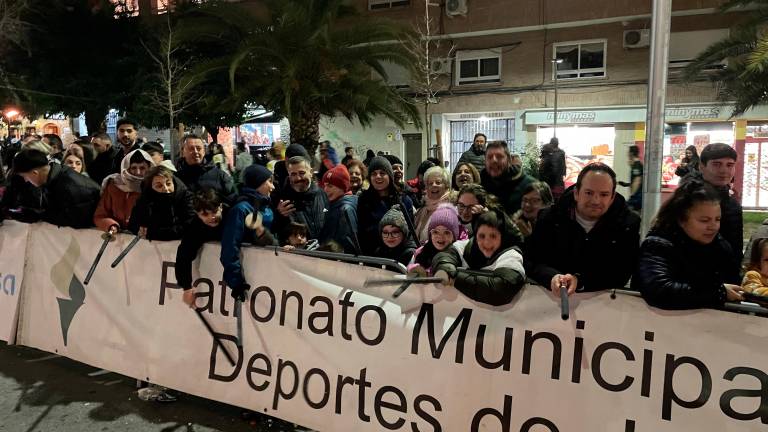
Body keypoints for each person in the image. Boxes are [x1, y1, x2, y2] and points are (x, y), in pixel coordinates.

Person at [525, 163, 641, 296]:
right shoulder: (549, 218)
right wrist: (551, 277)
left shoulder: (628, 224)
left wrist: (579, 280)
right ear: (576, 193)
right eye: (589, 193)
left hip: (606, 306)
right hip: (551, 302)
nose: (596, 200)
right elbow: (532, 261)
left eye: (604, 194)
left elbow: (621, 272)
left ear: (612, 198)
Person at [632, 179, 742, 310]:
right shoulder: (658, 245)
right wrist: (718, 292)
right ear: (682, 219)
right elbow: (659, 290)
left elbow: (733, 283)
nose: (713, 226)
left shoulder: (721, 246)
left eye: (717, 219)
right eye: (704, 220)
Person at [432, 209, 526, 306]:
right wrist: (446, 270)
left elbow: (501, 290)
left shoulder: (511, 255)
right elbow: (444, 257)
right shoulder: (465, 247)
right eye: (481, 236)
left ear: (502, 236)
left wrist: (456, 279)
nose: (486, 242)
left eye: (493, 236)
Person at [220, 164, 277, 301]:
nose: (272, 187)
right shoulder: (241, 210)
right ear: (257, 183)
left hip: (269, 272)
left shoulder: (267, 208)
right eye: (269, 181)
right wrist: (236, 281)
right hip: (251, 274)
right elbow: (230, 246)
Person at [12, 148, 100, 228]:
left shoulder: (69, 185)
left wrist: (39, 215)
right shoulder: (54, 178)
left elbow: (77, 220)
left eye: (25, 176)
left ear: (35, 173)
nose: (26, 180)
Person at [684, 143, 743, 261]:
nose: (724, 170)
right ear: (701, 166)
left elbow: (735, 247)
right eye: (716, 164)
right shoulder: (687, 198)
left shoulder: (732, 203)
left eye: (730, 165)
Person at [176, 189, 227, 308]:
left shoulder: (232, 216)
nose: (212, 217)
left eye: (214, 211)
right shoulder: (195, 226)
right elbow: (183, 256)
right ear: (197, 214)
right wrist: (187, 287)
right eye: (205, 214)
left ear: (221, 207)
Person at [357, 156, 414, 255]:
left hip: (399, 257)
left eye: (382, 173)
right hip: (372, 257)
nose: (378, 176)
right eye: (374, 174)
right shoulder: (363, 200)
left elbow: (410, 232)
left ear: (390, 176)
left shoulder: (404, 200)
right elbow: (362, 233)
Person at [94, 149, 155, 234]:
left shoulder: (154, 187)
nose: (138, 172)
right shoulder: (114, 185)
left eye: (142, 168)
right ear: (126, 168)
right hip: (117, 236)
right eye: (133, 168)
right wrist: (111, 225)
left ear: (149, 168)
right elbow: (100, 215)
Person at [128, 166, 195, 241]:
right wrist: (140, 229)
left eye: (168, 184)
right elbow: (133, 224)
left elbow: (189, 225)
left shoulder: (185, 196)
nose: (166, 189)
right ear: (151, 188)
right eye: (159, 186)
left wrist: (153, 233)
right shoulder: (145, 198)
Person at [273, 156, 329, 241]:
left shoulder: (322, 194)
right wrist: (279, 215)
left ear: (310, 172)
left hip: (323, 251)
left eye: (302, 173)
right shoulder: (282, 201)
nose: (298, 178)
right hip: (298, 252)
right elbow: (277, 232)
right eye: (293, 174)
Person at [481, 140, 536, 216]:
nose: (494, 160)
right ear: (485, 161)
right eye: (489, 157)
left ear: (509, 160)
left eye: (499, 156)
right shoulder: (480, 185)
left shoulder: (530, 185)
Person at [175, 135, 236, 202]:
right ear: (183, 152)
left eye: (198, 148)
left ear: (204, 151)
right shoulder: (176, 179)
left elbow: (232, 198)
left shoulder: (220, 175)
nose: (195, 152)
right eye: (191, 149)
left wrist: (215, 208)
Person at [408, 204, 461, 276]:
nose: (440, 237)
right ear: (430, 234)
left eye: (446, 232)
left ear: (454, 236)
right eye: (435, 232)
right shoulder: (420, 252)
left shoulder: (460, 256)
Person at [318, 164, 358, 254]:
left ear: (343, 187)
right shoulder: (334, 205)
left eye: (330, 186)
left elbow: (348, 244)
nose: (325, 190)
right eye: (325, 185)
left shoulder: (345, 209)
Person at [414, 166, 454, 243]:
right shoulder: (422, 210)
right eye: (430, 183)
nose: (434, 185)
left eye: (438, 182)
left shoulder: (451, 209)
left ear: (446, 186)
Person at [618, 145, 643, 212]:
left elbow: (637, 181)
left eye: (628, 152)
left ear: (631, 153)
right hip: (638, 197)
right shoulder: (637, 165)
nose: (627, 154)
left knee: (622, 211)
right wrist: (623, 184)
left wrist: (632, 196)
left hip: (637, 198)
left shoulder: (636, 165)